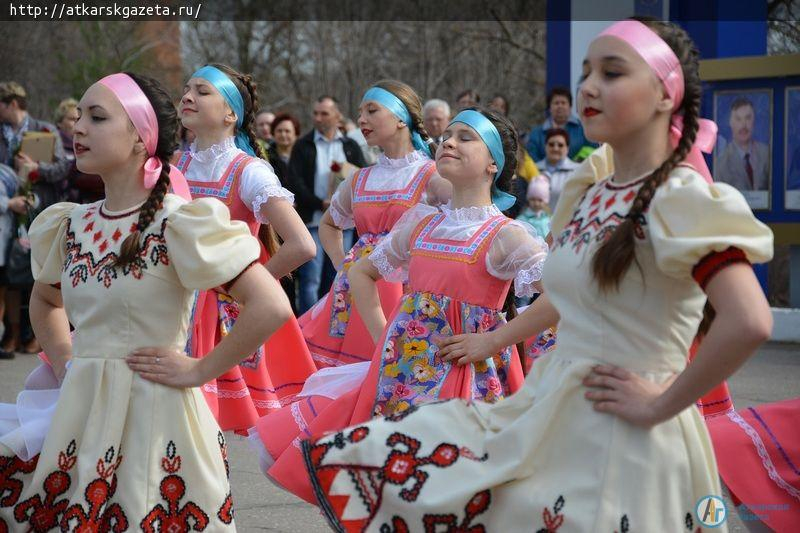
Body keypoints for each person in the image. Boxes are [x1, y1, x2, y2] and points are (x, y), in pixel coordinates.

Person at [303, 19, 774, 532]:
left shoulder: (681, 196)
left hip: (633, 428)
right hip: (554, 406)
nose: (589, 86)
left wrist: (663, 401)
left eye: (613, 72)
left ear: (666, 95)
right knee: (391, 465)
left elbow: (748, 320)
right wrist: (497, 341)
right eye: (587, 71)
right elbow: (565, 300)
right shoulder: (591, 195)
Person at [0, 72, 294, 530]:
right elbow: (44, 299)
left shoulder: (178, 222)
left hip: (158, 419)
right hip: (82, 415)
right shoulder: (70, 224)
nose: (78, 128)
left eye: (97, 117)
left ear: (141, 138)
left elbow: (270, 305)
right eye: (78, 117)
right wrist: (66, 362)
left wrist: (199, 369)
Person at [252, 107, 547, 504]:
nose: (450, 142)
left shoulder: (506, 235)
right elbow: (361, 273)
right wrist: (383, 340)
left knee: (451, 492)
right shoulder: (422, 222)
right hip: (399, 378)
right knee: (392, 488)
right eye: (448, 135)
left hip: (466, 385)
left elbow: (565, 295)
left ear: (493, 163)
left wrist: (494, 342)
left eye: (466, 137)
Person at [176, 64, 317, 432]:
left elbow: (302, 245)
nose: (188, 96)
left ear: (230, 114)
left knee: (197, 422)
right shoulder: (174, 165)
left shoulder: (248, 171)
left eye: (203, 91)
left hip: (212, 314)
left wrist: (241, 290)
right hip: (168, 300)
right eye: (187, 88)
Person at [296, 80, 450, 370]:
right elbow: (329, 225)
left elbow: (463, 211)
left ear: (401, 118)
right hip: (355, 290)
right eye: (360, 112)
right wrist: (342, 264)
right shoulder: (360, 178)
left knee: (399, 368)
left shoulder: (430, 174)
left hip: (405, 287)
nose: (362, 120)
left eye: (372, 110)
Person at [288, 96, 367, 313]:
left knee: (337, 277)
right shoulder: (304, 145)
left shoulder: (349, 146)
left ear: (337, 116)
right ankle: (307, 328)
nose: (318, 118)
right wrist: (319, 203)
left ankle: (327, 328)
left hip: (344, 225)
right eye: (315, 113)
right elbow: (295, 181)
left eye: (324, 113)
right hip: (313, 220)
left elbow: (363, 176)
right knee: (310, 279)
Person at [526, 86, 596, 162]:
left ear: (570, 106)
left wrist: (574, 165)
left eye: (563, 103)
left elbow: (593, 151)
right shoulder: (536, 133)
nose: (560, 106)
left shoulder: (584, 129)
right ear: (549, 107)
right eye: (556, 103)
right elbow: (531, 158)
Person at [716, 97, 770, 191]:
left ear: (754, 121)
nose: (743, 125)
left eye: (748, 118)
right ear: (730, 122)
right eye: (738, 119)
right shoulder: (721, 163)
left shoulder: (766, 154)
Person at [537, 127, 580, 210]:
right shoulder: (535, 169)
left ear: (567, 148)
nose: (555, 148)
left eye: (560, 145)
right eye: (551, 144)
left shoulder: (578, 171)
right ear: (545, 146)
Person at [266, 112, 301, 185]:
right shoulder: (266, 156)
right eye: (279, 131)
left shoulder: (304, 155)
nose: (283, 135)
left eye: (287, 131)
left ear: (296, 134)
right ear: (273, 133)